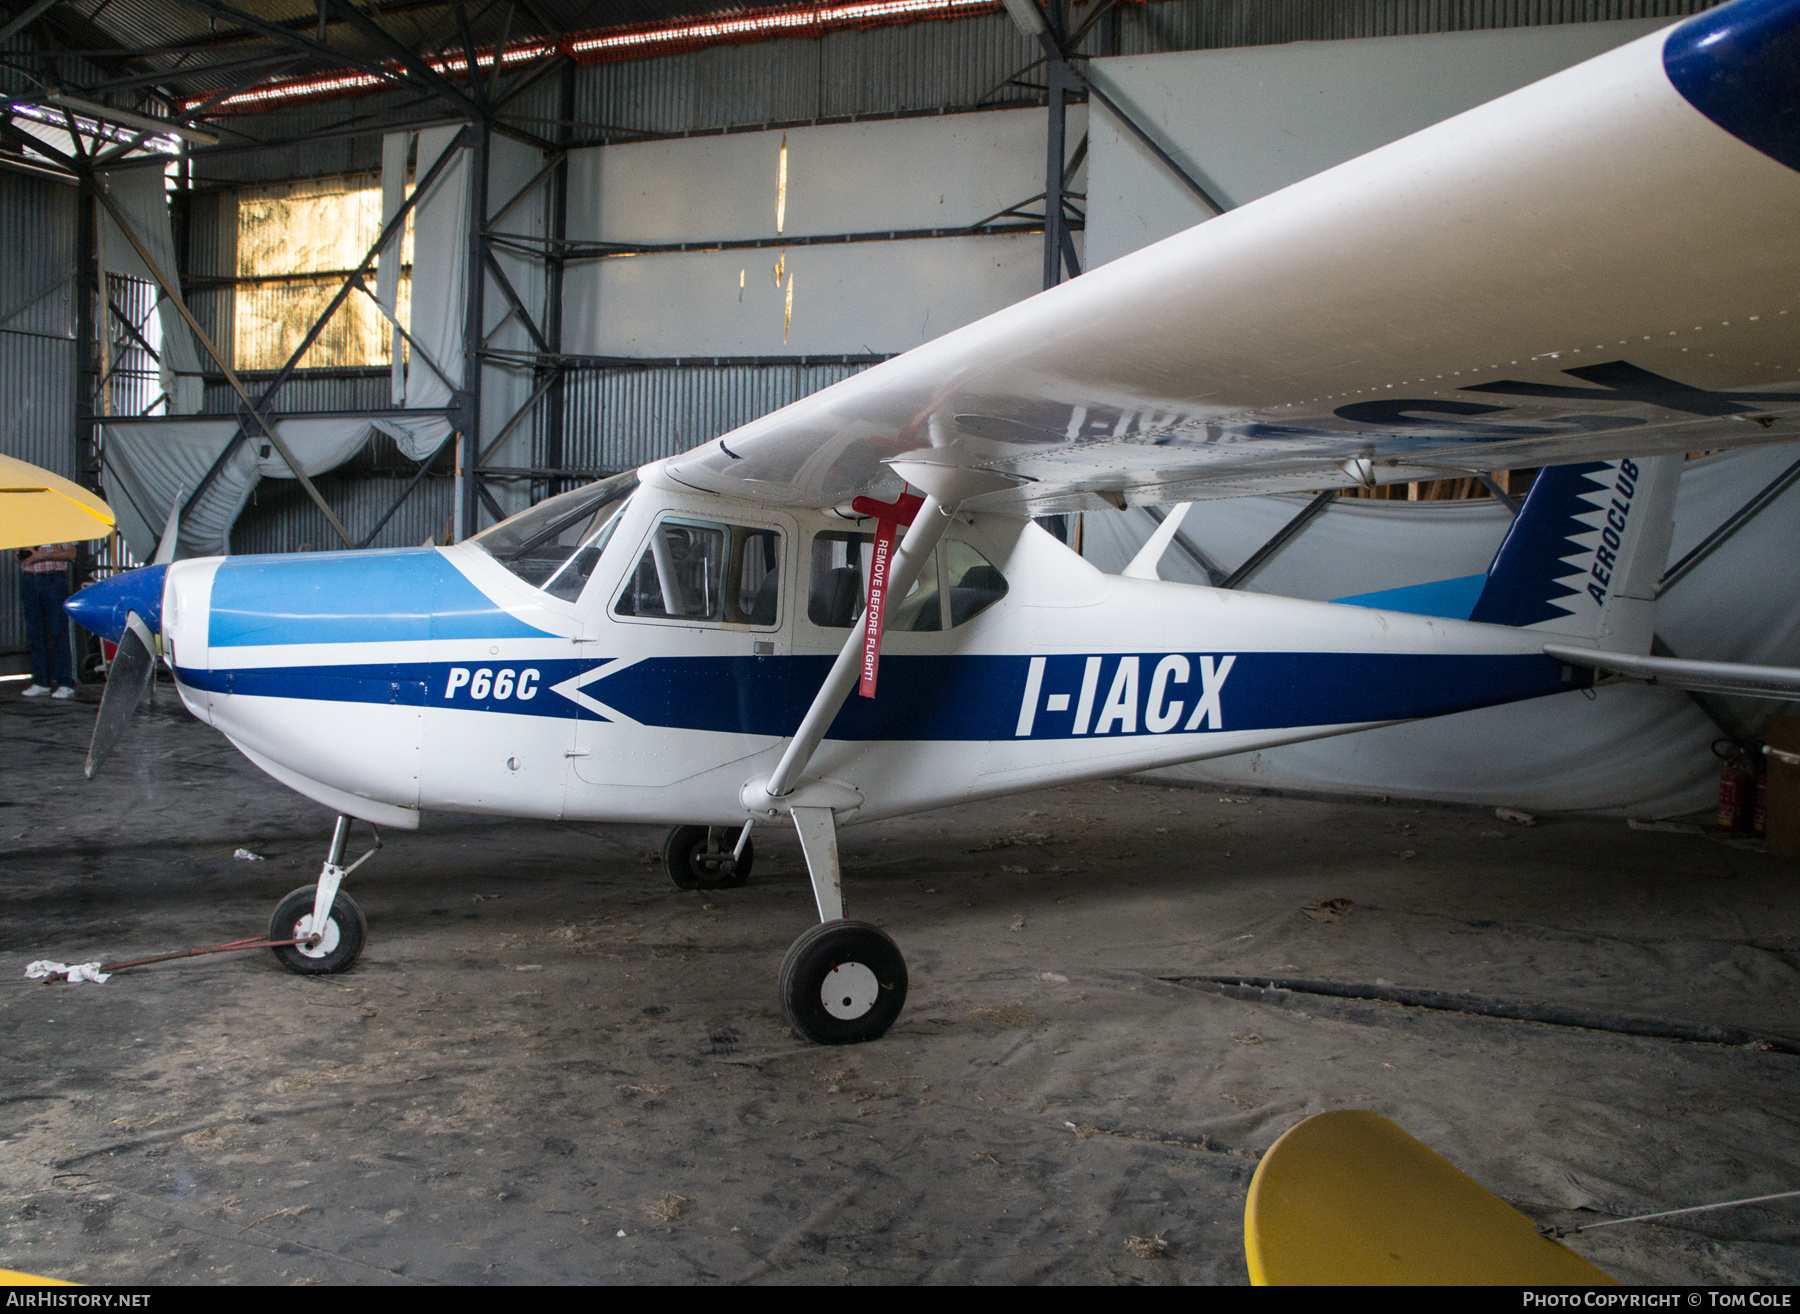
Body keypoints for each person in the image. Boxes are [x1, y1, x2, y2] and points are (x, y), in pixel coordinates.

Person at [17, 541, 76, 699]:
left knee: (58, 631)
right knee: (35, 633)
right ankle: (41, 681)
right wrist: (22, 556)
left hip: (52, 579)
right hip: (29, 580)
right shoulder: (25, 530)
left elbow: (71, 553)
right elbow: (16, 556)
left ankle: (65, 683)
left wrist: (42, 556)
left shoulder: (55, 528)